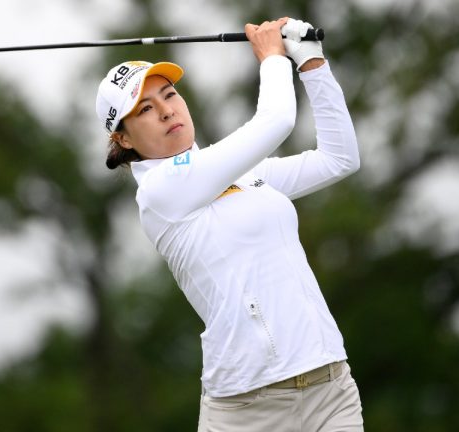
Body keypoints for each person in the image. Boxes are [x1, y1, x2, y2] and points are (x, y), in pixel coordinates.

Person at [95, 17, 363, 431]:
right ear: (125, 140)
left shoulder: (242, 175)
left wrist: (312, 64)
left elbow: (339, 159)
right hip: (248, 408)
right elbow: (275, 121)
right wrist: (273, 57)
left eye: (169, 94)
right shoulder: (161, 191)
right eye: (146, 109)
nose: (167, 110)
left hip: (330, 388)